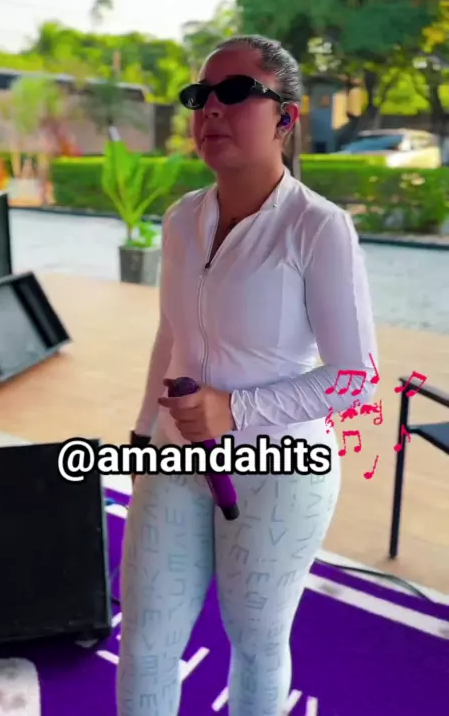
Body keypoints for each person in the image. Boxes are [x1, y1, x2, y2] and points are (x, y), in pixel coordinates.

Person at [117, 35, 378, 716]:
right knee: (145, 641)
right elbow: (172, 334)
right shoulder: (181, 218)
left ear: (286, 117)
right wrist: (142, 435)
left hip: (280, 470)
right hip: (174, 455)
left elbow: (356, 378)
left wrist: (233, 410)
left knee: (256, 642)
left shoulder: (318, 227)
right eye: (200, 96)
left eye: (235, 93)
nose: (211, 109)